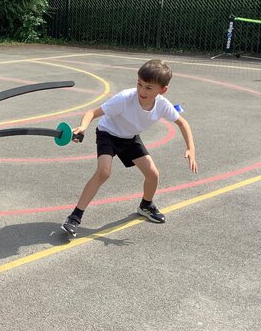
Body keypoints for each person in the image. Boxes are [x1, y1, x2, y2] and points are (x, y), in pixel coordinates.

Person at [61, 59, 197, 236]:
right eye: (139, 84)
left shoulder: (163, 105)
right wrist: (83, 126)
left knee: (153, 174)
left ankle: (146, 206)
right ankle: (74, 217)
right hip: (108, 134)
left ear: (162, 90)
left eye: (149, 88)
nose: (142, 90)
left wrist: (190, 148)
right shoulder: (125, 98)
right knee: (104, 172)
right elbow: (92, 113)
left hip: (130, 138)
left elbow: (182, 123)